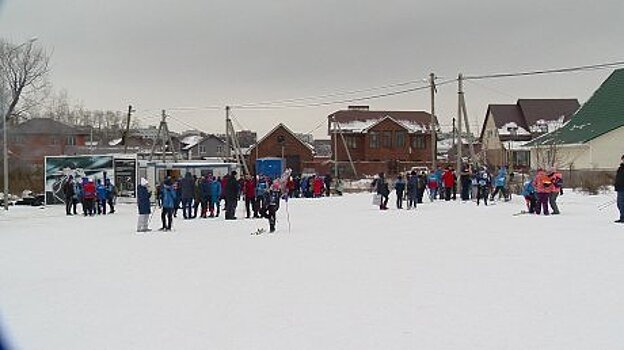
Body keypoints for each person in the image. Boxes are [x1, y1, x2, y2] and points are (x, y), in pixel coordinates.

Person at [615, 155, 624, 223]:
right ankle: (622, 217)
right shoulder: (620, 168)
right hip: (620, 188)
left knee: (622, 203)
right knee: (619, 204)